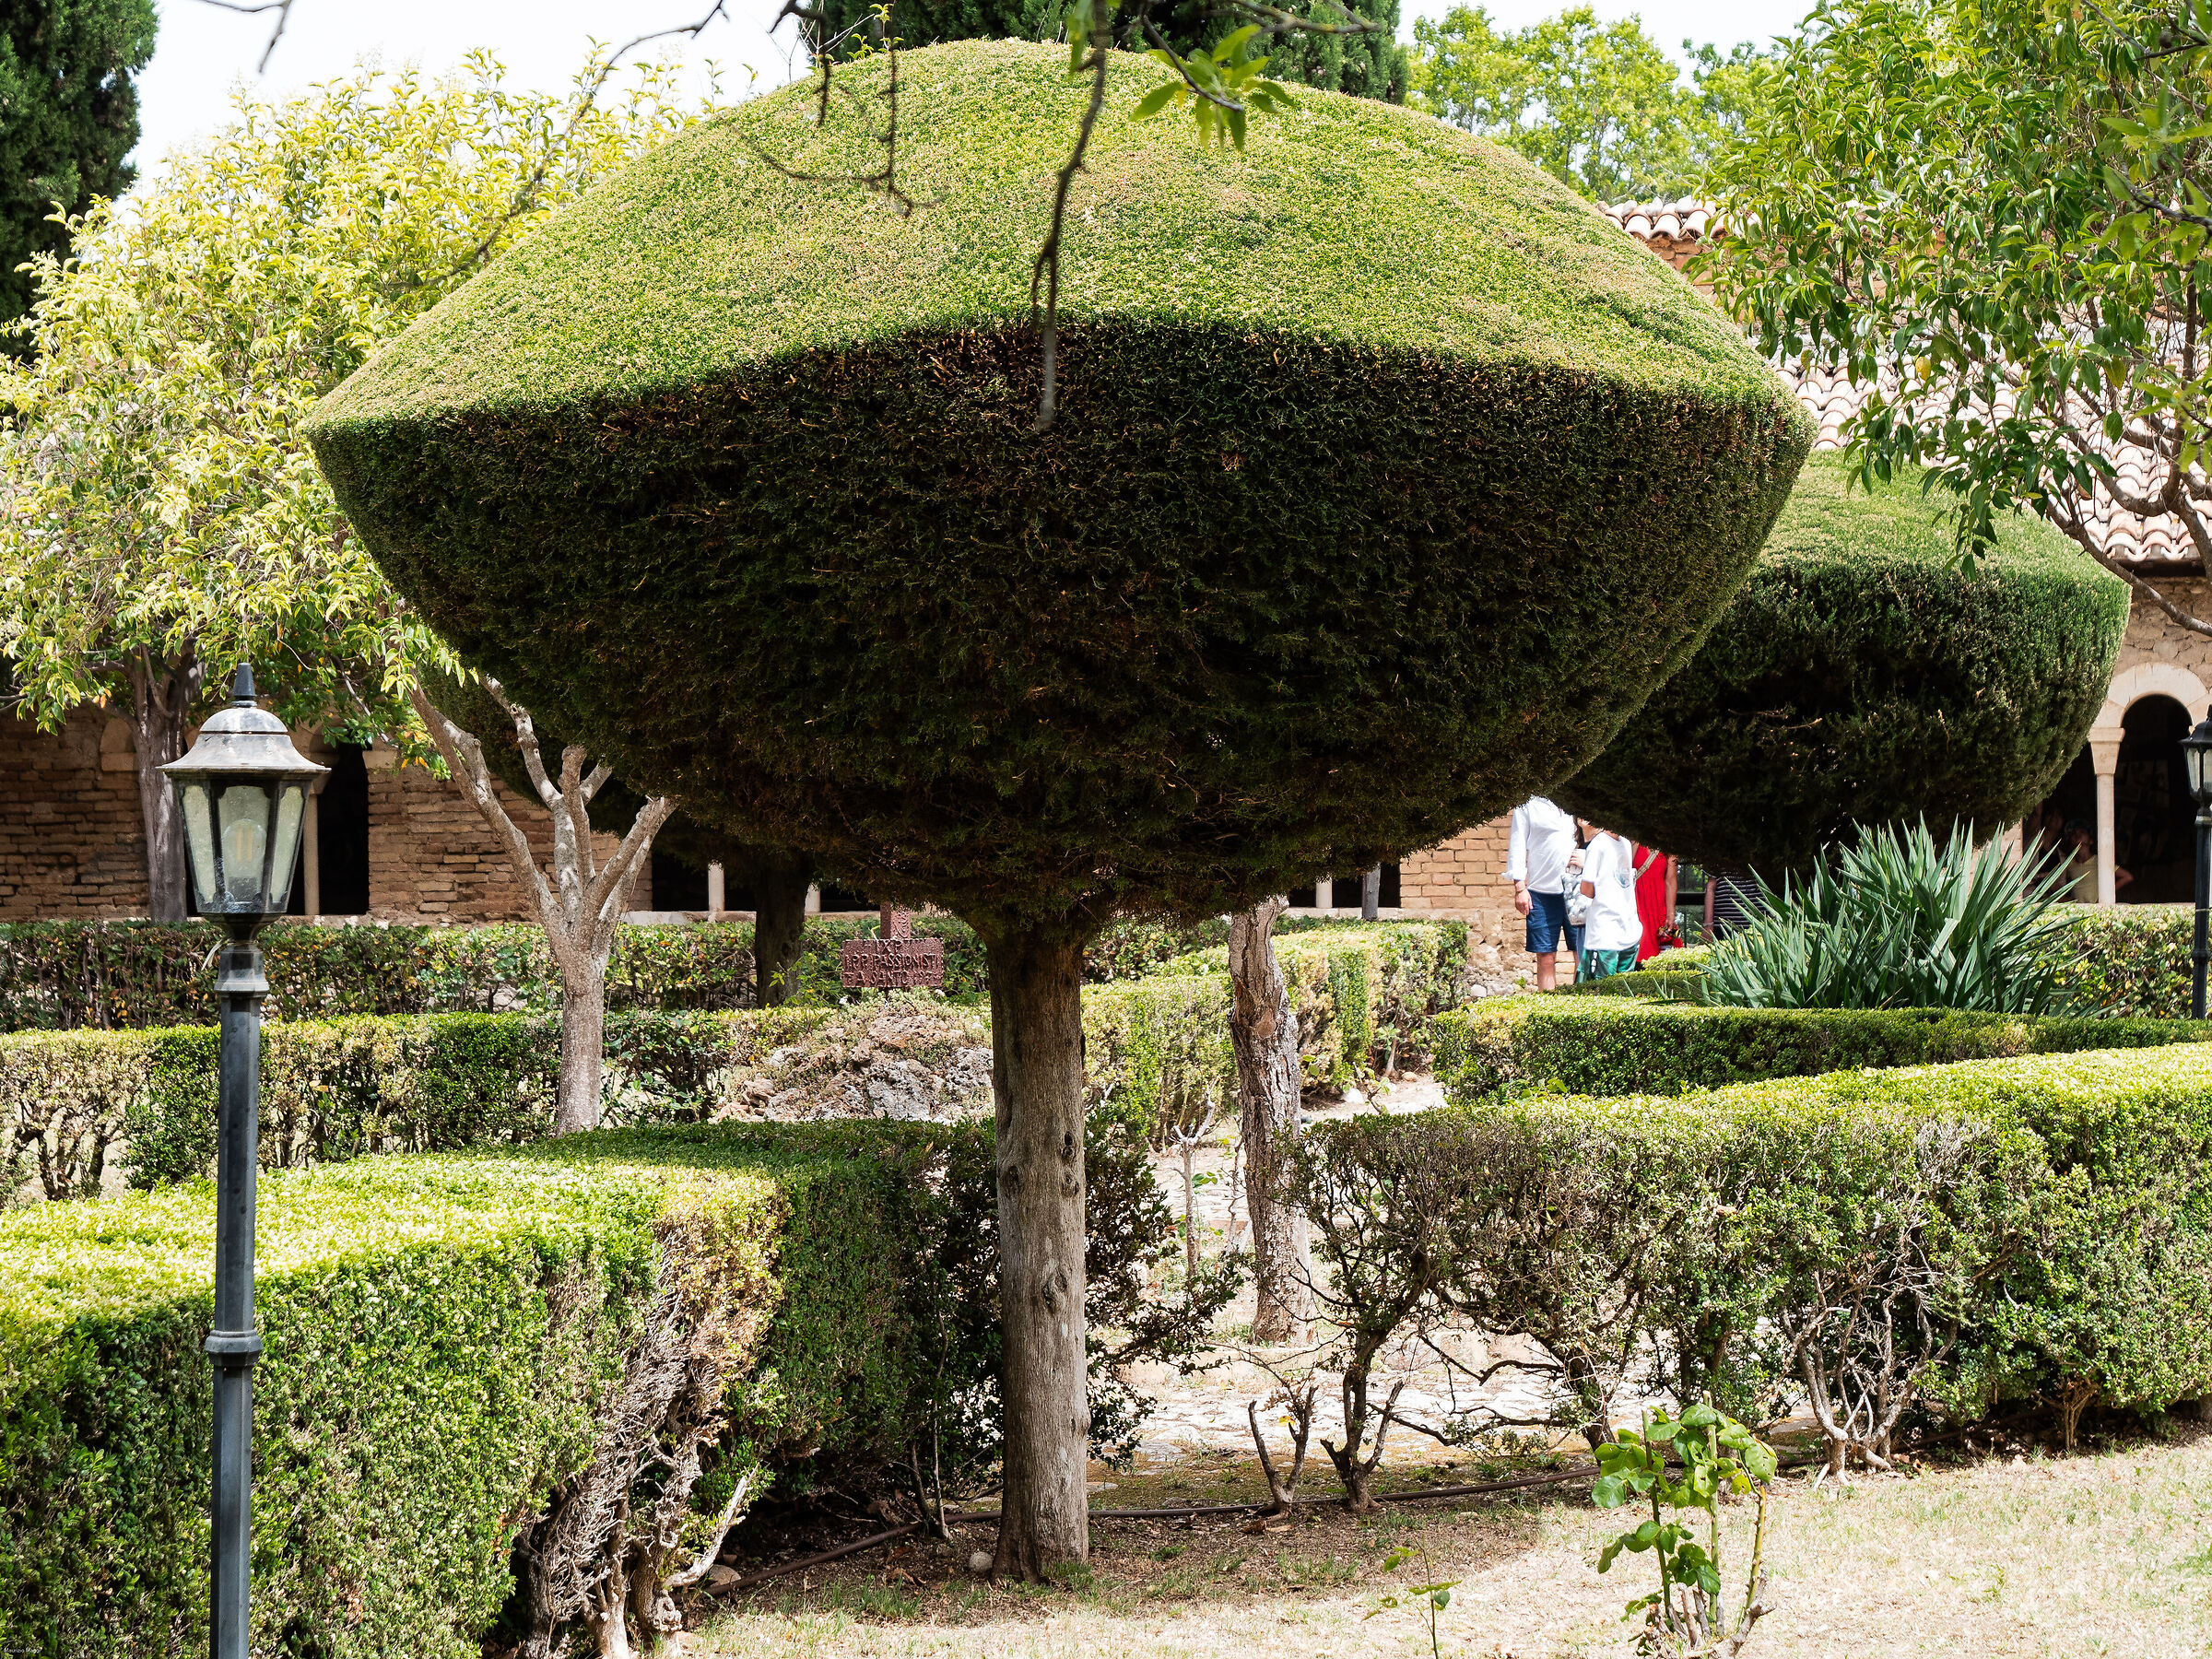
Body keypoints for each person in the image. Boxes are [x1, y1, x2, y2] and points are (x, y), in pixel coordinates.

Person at [1506, 795, 1580, 990]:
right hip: (1540, 891)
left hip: (1577, 889)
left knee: (1582, 953)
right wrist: (1520, 887)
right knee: (1546, 956)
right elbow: (1518, 843)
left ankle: (1582, 1006)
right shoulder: (1528, 802)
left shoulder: (1578, 797)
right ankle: (1549, 1007)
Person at [1576, 819, 1643, 981]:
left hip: (1605, 932)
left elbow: (1586, 889)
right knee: (1622, 991)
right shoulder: (1625, 844)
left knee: (1601, 990)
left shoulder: (1598, 844)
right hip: (1629, 930)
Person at [2063, 821, 2129, 901]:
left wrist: (2105, 895)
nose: (2077, 834)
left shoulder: (2099, 861)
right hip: (2076, 911)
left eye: (2082, 832)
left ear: (2091, 841)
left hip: (2096, 910)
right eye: (2073, 833)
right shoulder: (2068, 863)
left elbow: (2127, 877)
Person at [1632, 841, 1675, 962]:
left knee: (1662, 959)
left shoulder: (1670, 844)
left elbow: (1671, 881)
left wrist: (1671, 914)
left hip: (1659, 907)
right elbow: (1626, 868)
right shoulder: (1634, 839)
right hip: (1636, 905)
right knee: (1636, 956)